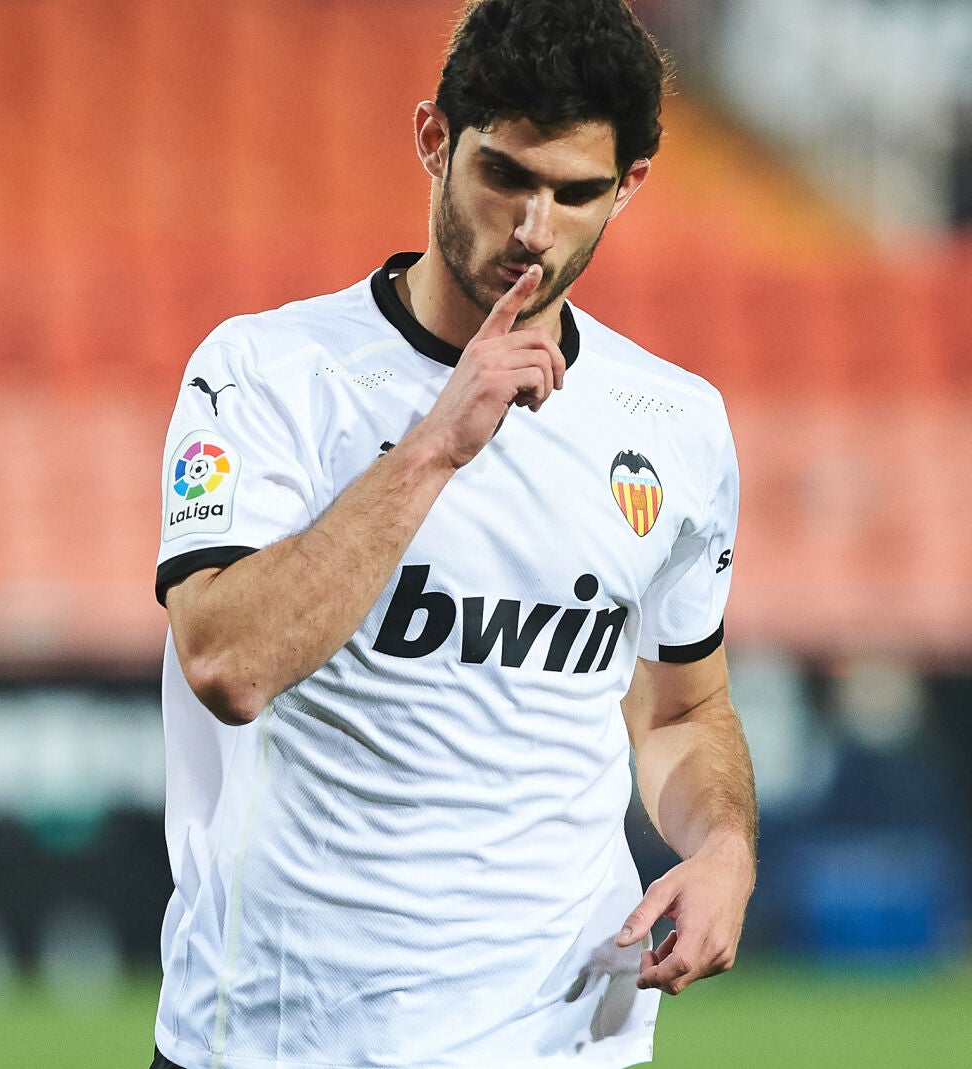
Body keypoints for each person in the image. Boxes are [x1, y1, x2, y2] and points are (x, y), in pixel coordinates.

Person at [149, 3, 757, 1068]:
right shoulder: (268, 374)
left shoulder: (676, 422)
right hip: (288, 1039)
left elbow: (680, 708)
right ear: (434, 139)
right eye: (504, 175)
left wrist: (724, 847)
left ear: (630, 185)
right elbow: (227, 662)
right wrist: (434, 445)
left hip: (566, 1040)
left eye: (576, 192)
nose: (533, 228)